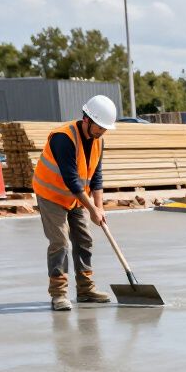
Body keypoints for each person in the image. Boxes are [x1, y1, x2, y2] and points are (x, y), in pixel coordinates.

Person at [31, 94, 116, 312]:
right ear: (87, 119)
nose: (102, 132)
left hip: (76, 197)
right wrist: (92, 209)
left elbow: (96, 176)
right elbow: (72, 180)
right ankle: (58, 294)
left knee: (84, 239)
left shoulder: (99, 141)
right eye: (100, 127)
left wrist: (100, 208)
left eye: (105, 128)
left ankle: (86, 290)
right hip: (51, 194)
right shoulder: (64, 138)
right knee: (60, 242)